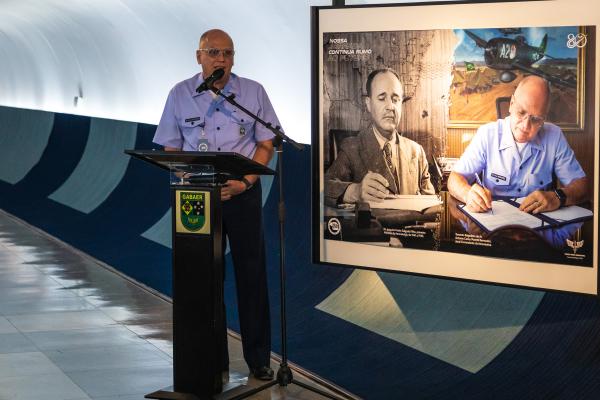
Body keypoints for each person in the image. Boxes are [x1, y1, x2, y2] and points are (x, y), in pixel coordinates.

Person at [153, 29, 277, 381]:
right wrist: (197, 184)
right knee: (205, 280)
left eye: (227, 53)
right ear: (199, 56)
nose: (221, 59)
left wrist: (247, 182)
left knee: (251, 277)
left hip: (243, 192)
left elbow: (266, 143)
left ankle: (259, 360)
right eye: (213, 52)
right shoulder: (179, 94)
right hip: (197, 199)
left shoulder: (252, 92)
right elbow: (171, 151)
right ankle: (213, 360)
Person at [448, 75, 588, 214]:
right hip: (494, 222)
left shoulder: (554, 136)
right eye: (521, 112)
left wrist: (558, 197)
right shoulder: (487, 134)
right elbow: (454, 179)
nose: (525, 126)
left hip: (538, 225)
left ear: (544, 118)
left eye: (535, 119)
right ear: (511, 104)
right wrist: (467, 194)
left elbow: (582, 186)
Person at [324, 68, 435, 206]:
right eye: (382, 98)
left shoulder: (417, 152)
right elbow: (323, 186)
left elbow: (431, 205)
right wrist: (356, 191)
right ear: (369, 104)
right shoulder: (351, 148)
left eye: (395, 99)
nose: (390, 106)